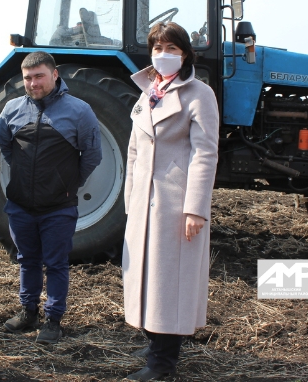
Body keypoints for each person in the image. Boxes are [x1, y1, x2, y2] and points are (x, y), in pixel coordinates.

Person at [122, 21, 219, 381]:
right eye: (158, 48)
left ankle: (162, 365)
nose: (164, 55)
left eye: (172, 50)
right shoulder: (147, 92)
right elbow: (134, 150)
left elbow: (205, 153)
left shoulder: (199, 94)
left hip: (175, 204)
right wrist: (130, 201)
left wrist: (195, 208)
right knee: (147, 278)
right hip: (144, 203)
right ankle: (154, 343)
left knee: (170, 283)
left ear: (186, 55)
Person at [0, 51, 102, 344]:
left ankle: (53, 319)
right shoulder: (10, 111)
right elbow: (7, 150)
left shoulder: (79, 111)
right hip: (20, 205)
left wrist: (68, 183)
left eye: (39, 76)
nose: (33, 83)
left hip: (58, 206)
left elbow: (92, 155)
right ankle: (28, 311)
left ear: (55, 75)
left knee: (56, 263)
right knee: (27, 260)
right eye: (28, 78)